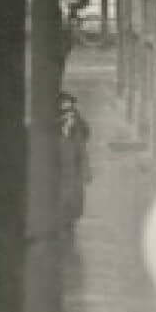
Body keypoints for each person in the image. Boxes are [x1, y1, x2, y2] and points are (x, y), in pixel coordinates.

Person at [59, 91, 93, 229]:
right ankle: (65, 218)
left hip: (75, 166)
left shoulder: (78, 122)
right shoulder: (56, 123)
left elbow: (85, 136)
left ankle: (71, 218)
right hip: (62, 167)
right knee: (65, 194)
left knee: (76, 195)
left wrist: (86, 171)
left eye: (70, 108)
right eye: (65, 108)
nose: (69, 111)